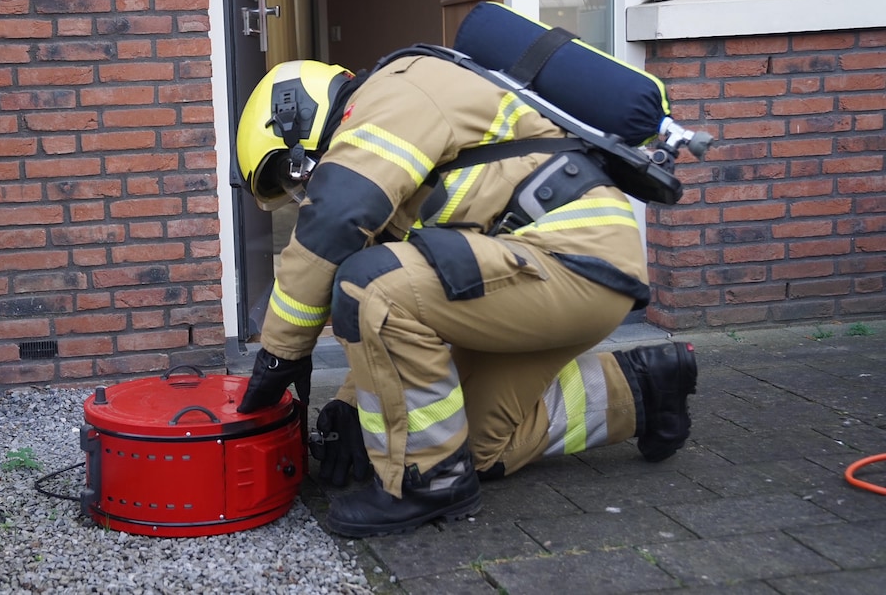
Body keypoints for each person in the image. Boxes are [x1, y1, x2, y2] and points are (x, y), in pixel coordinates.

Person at [233, 54, 697, 538]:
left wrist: (278, 356)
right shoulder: (396, 151)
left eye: (292, 174)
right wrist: (351, 405)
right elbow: (408, 307)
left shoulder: (397, 91)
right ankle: (645, 390)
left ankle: (427, 484)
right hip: (557, 270)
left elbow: (335, 227)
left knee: (369, 283)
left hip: (569, 257)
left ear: (296, 120)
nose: (300, 189)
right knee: (470, 447)